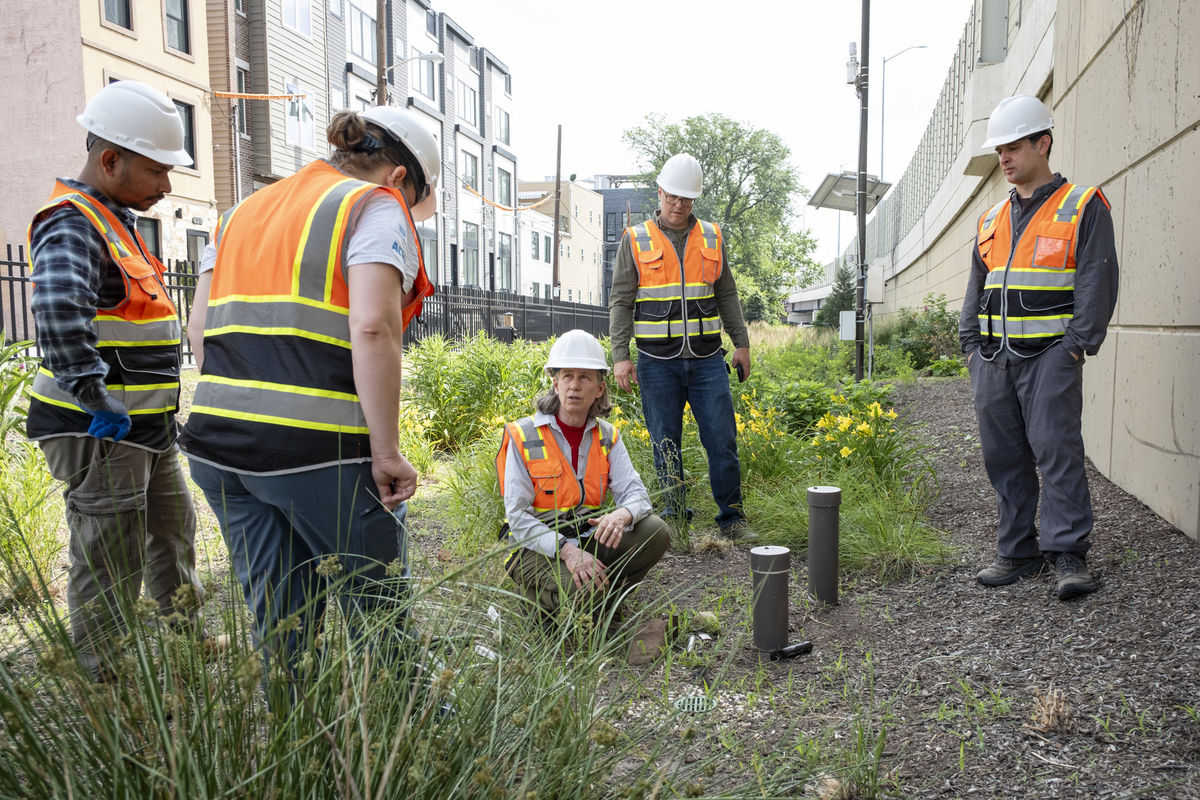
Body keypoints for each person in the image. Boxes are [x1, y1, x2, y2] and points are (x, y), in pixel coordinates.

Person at [179, 106, 437, 672]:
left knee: (283, 624)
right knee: (380, 613)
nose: (410, 213)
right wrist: (387, 452)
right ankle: (416, 739)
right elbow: (373, 326)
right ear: (398, 178)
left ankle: (301, 749)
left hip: (220, 450)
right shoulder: (372, 206)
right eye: (415, 200)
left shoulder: (241, 211)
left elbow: (198, 329)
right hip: (318, 453)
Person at [26, 80, 206, 680]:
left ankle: (186, 635)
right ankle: (104, 672)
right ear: (110, 160)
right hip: (101, 426)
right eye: (157, 171)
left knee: (172, 531)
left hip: (145, 428)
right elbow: (56, 314)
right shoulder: (73, 222)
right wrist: (92, 396)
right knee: (110, 551)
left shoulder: (116, 220)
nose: (167, 186)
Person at [960, 94, 1119, 600]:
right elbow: (976, 286)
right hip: (993, 360)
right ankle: (1018, 550)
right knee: (1003, 458)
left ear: (1042, 143)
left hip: (1051, 357)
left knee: (1057, 453)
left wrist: (1075, 347)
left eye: (1013, 147)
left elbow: (1098, 281)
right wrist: (969, 346)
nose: (1003, 158)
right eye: (999, 150)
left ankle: (1068, 554)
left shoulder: (1082, 205)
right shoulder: (990, 219)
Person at [609, 153, 754, 539]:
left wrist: (741, 344)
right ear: (660, 192)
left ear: (695, 200)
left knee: (722, 439)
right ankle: (675, 518)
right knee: (665, 443)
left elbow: (727, 294)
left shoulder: (712, 236)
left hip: (708, 360)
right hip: (657, 363)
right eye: (672, 196)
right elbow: (621, 301)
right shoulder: (636, 239)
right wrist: (620, 357)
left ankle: (732, 519)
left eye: (686, 199)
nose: (678, 205)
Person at [496, 330, 670, 622]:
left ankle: (602, 599)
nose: (574, 386)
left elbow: (637, 495)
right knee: (587, 588)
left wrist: (622, 515)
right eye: (567, 376)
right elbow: (517, 518)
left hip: (584, 537)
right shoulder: (522, 435)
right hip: (534, 548)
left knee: (656, 531)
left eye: (584, 378)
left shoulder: (608, 437)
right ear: (555, 383)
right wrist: (566, 551)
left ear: (599, 389)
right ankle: (539, 602)